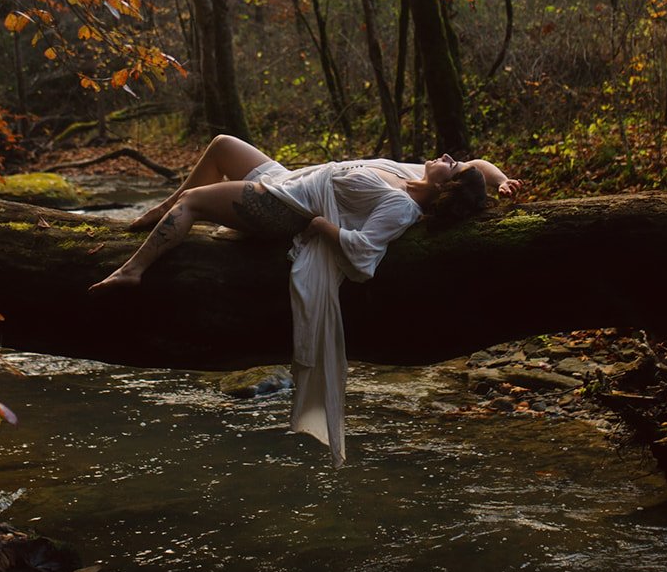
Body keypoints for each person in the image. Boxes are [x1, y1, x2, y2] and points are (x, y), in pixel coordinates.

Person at [89, 135, 521, 463]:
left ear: (446, 190)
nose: (447, 157)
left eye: (451, 165)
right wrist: (503, 182)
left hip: (285, 207)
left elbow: (363, 253)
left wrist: (320, 226)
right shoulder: (412, 172)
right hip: (287, 180)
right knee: (222, 145)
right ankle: (157, 209)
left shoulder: (403, 205)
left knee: (194, 202)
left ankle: (132, 270)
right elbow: (478, 164)